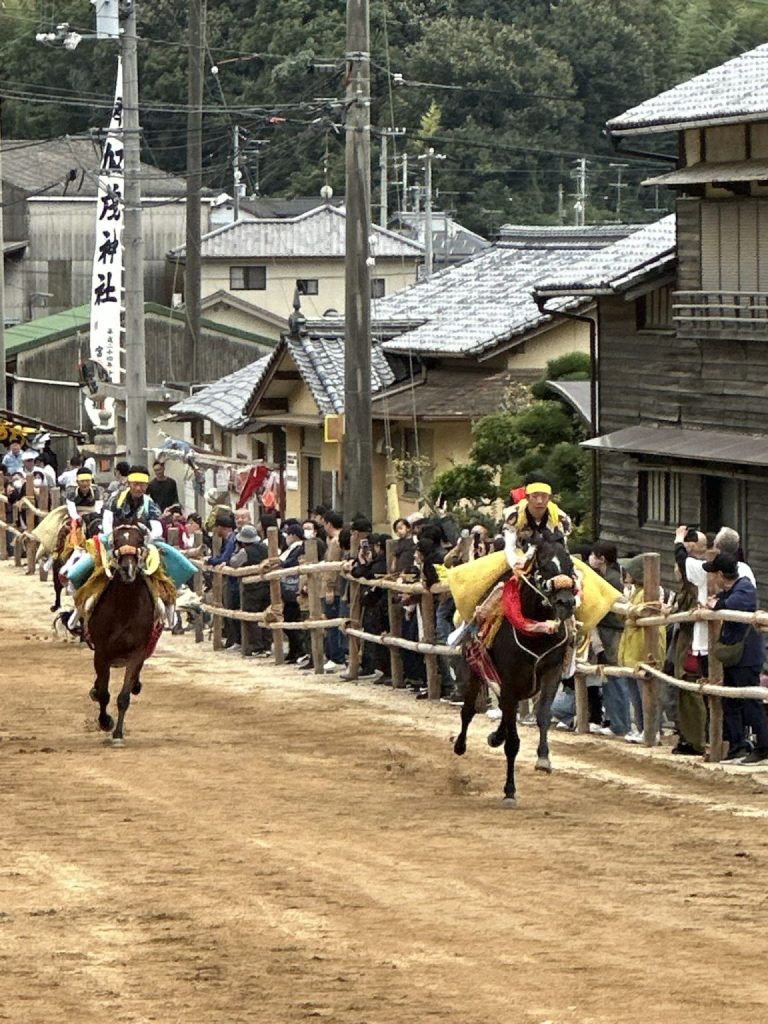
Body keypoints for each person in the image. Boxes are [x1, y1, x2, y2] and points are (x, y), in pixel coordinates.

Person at [704, 552, 768, 764]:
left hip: (747, 656)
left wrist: (718, 604)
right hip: (735, 655)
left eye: (714, 574)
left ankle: (763, 747)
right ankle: (737, 745)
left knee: (751, 702)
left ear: (721, 574)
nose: (712, 579)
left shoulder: (745, 587)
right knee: (730, 700)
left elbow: (736, 603)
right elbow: (722, 602)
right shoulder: (731, 590)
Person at [350, 533, 390, 683]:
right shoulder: (375, 561)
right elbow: (357, 572)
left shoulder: (382, 562)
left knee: (381, 635)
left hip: (381, 603)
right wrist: (361, 561)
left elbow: (366, 573)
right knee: (371, 634)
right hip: (373, 603)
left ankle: (387, 670)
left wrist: (363, 564)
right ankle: (375, 666)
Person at [228, 523, 271, 656]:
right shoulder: (265, 548)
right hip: (267, 586)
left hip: (252, 588)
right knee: (266, 615)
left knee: (252, 617)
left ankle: (257, 646)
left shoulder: (244, 551)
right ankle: (267, 645)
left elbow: (233, 562)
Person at [205, 510, 239, 650]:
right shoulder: (230, 540)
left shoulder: (231, 540)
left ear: (221, 527)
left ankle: (235, 640)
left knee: (231, 610)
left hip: (233, 581)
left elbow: (225, 558)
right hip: (230, 580)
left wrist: (211, 560)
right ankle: (233, 640)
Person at [505, 472, 571, 542]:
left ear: (550, 498)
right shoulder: (512, 516)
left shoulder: (561, 519)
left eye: (544, 496)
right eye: (535, 496)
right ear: (527, 497)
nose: (539, 501)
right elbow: (509, 547)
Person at [102, 465, 162, 538]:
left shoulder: (149, 503)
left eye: (142, 485)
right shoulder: (115, 498)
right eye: (135, 484)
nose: (138, 488)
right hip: (117, 538)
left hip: (141, 539)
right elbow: (107, 522)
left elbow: (157, 528)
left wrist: (148, 539)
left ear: (147, 486)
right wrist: (111, 537)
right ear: (128, 483)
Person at [321, 510, 347, 671]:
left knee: (332, 623)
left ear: (328, 524)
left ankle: (336, 656)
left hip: (334, 588)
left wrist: (329, 588)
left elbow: (332, 567)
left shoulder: (335, 542)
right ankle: (334, 655)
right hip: (335, 586)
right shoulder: (334, 540)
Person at [280, 521, 306, 663]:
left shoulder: (299, 548)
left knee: (293, 621)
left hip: (294, 587)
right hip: (287, 588)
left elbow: (288, 563)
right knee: (288, 620)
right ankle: (294, 650)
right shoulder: (290, 548)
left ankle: (298, 651)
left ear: (293, 535)